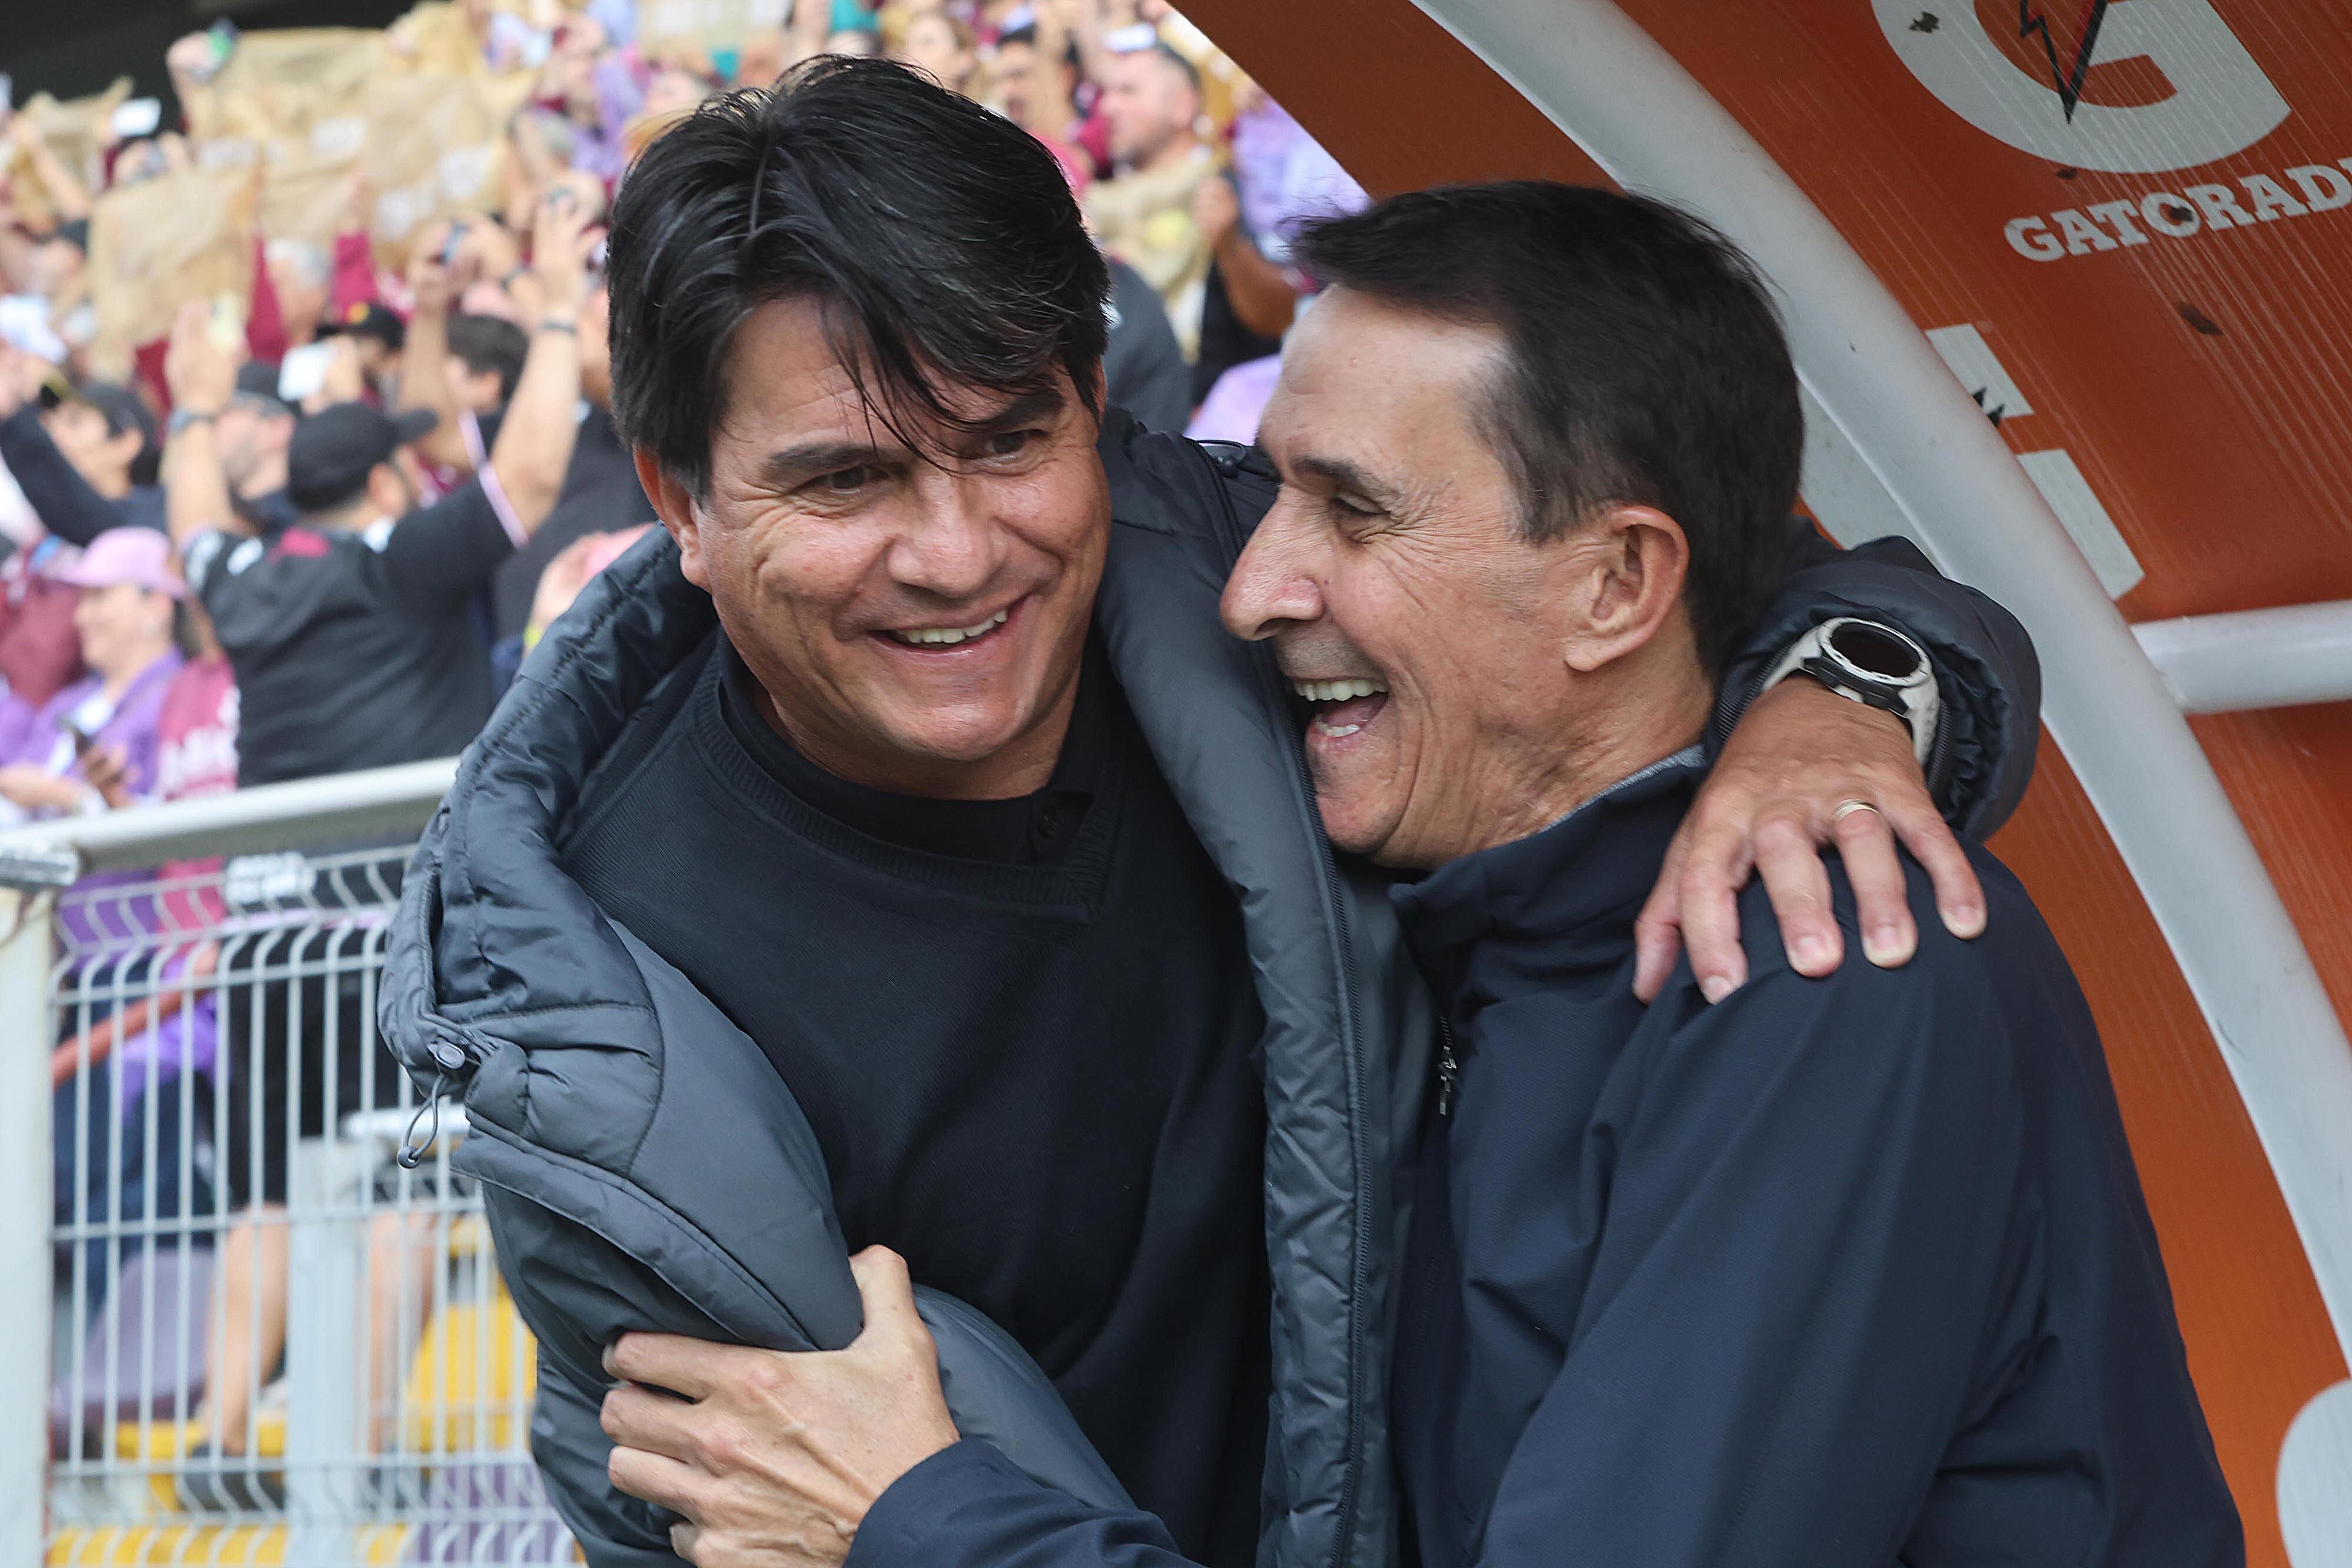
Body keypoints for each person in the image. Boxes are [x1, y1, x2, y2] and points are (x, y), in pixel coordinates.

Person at [378, 62, 2038, 1568]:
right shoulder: (605, 1046)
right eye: (847, 481)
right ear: (680, 497)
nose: (957, 552)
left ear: (1095, 405)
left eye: (1008, 442)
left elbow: (1701, 581)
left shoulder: (1255, 575)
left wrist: (1842, 695)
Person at [153, 194, 598, 1484]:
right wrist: (561, 309)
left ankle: (221, 1429)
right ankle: (362, 1446)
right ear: (392, 480)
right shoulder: (400, 564)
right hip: (382, 936)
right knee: (403, 1186)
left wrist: (191, 404)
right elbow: (520, 478)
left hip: (262, 933)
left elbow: (192, 515)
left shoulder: (250, 582)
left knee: (267, 1191)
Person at [0, 527, 182, 823]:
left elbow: (177, 823)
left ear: (157, 605)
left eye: (99, 596)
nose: (81, 617)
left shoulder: (180, 696)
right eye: (82, 599)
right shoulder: (68, 702)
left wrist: (62, 796)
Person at [1085, 45, 1218, 359]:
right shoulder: (1098, 201)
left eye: (1128, 92)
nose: (1107, 107)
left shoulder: (1221, 190)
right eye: (1107, 92)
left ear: (1182, 106)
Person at [0, 363, 165, 545]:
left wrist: (12, 413)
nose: (54, 435)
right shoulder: (44, 536)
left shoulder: (157, 516)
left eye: (74, 422)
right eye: (49, 424)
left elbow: (97, 523)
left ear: (126, 443)